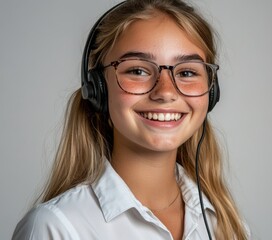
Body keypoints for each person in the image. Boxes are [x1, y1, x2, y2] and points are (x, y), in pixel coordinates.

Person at [12, 0, 249, 239]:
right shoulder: (56, 227)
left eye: (187, 72)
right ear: (98, 90)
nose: (166, 92)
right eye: (138, 70)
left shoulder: (226, 224)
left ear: (212, 91)